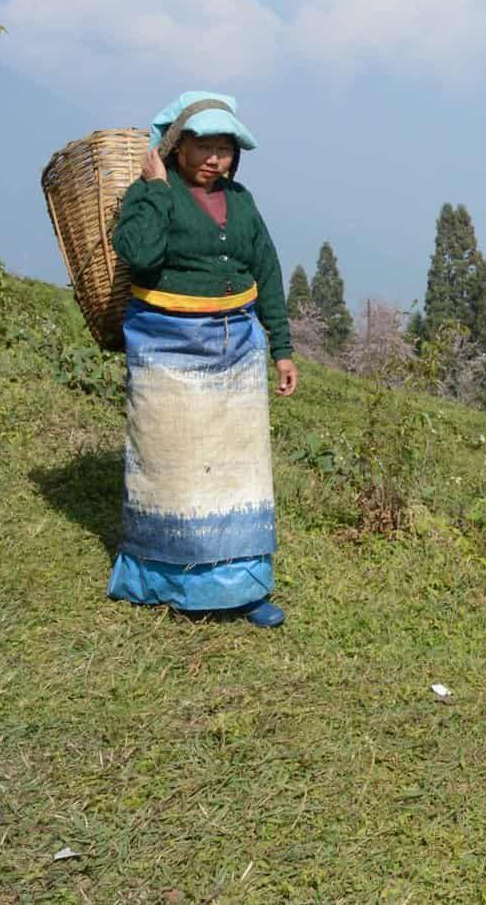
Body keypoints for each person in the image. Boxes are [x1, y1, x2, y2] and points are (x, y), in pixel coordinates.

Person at [106, 91, 298, 627]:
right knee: (175, 469)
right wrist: (157, 190)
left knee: (239, 473)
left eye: (227, 149)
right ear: (175, 148)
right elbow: (139, 255)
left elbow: (268, 269)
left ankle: (245, 588)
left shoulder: (242, 201)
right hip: (167, 347)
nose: (218, 160)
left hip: (236, 348)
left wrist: (280, 347)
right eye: (206, 147)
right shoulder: (149, 196)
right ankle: (173, 586)